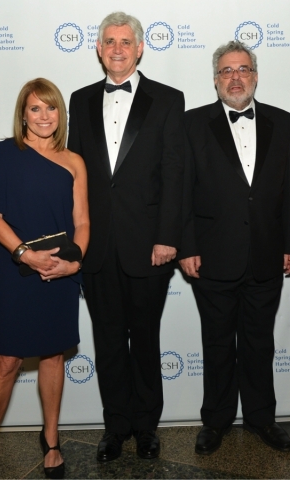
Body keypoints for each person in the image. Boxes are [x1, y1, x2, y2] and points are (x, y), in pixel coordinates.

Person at [67, 12, 184, 462]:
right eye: (109, 41)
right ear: (99, 49)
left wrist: (168, 236)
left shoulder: (168, 100)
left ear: (139, 48)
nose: (117, 48)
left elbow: (175, 173)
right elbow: (73, 176)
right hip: (95, 245)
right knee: (108, 339)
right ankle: (115, 426)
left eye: (125, 41)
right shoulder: (78, 100)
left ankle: (146, 427)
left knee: (146, 336)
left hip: (149, 245)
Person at [179, 40, 290, 455]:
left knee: (259, 343)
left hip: (267, 253)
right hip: (211, 255)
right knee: (215, 343)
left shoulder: (284, 123)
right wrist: (186, 246)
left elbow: (289, 193)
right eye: (227, 70)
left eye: (243, 69)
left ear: (255, 75)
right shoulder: (192, 123)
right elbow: (183, 193)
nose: (236, 77)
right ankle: (215, 421)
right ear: (215, 79)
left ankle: (262, 418)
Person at [0, 78, 89, 480]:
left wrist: (73, 265)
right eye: (35, 108)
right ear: (23, 113)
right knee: (6, 361)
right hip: (12, 270)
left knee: (54, 355)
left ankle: (52, 440)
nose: (44, 116)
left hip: (59, 272)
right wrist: (26, 253)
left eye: (51, 108)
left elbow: (83, 221)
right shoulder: (2, 153)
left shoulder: (74, 161)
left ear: (61, 114)